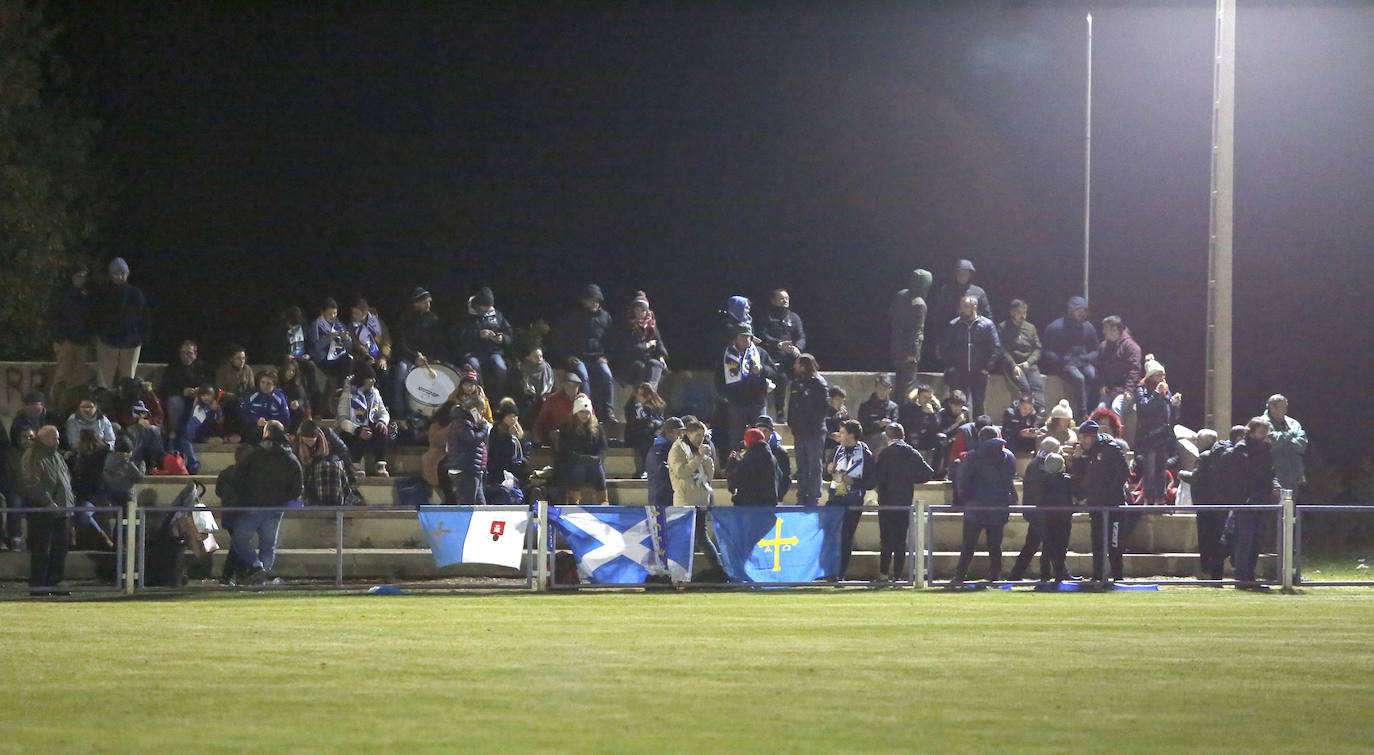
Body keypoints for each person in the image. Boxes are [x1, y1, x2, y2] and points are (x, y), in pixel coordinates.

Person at [232, 421, 303, 584]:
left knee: (240, 538)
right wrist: (285, 499)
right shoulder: (290, 457)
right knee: (268, 545)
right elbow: (297, 486)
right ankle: (262, 579)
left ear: (266, 433)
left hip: (254, 505)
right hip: (277, 507)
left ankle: (257, 567)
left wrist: (244, 497)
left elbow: (239, 477)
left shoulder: (255, 454)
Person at [1067, 419, 1131, 587]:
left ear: (1094, 436)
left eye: (1087, 437)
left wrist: (1109, 492)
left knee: (1114, 543)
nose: (1084, 441)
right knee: (1097, 541)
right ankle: (1098, 574)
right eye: (1081, 437)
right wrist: (1078, 459)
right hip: (1095, 505)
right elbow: (1079, 478)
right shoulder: (1084, 452)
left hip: (1113, 504)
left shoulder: (1110, 448)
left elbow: (1124, 473)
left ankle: (1117, 576)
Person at [951, 426, 1016, 586]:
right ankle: (995, 575)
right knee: (995, 545)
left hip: (976, 507)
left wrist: (966, 499)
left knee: (968, 545)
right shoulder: (1009, 457)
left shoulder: (973, 457)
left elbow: (963, 482)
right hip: (999, 506)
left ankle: (960, 576)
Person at [1218, 418, 1277, 589]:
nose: (1264, 436)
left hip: (1262, 501)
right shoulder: (1240, 451)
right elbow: (1239, 478)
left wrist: (1273, 487)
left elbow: (1269, 473)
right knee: (1245, 541)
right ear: (1250, 432)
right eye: (1261, 432)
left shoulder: (1266, 450)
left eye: (1265, 433)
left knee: (1257, 541)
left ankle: (1250, 576)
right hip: (1245, 503)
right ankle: (1242, 578)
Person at [873, 423, 935, 582]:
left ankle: (883, 573)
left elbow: (877, 476)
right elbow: (928, 473)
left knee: (886, 539)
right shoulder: (911, 453)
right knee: (901, 540)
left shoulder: (885, 453)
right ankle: (898, 574)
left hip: (886, 501)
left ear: (887, 437)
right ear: (904, 436)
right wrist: (912, 479)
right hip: (904, 500)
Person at [19, 426, 75, 595]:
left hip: (62, 510)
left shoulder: (57, 456)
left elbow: (65, 480)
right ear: (42, 438)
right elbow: (30, 483)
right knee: (42, 550)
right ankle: (38, 585)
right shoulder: (33, 455)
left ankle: (54, 583)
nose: (57, 441)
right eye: (53, 438)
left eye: (57, 438)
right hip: (43, 511)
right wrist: (47, 502)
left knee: (60, 550)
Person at [554, 284, 617, 423]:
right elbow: (561, 339)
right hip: (579, 358)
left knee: (607, 375)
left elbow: (612, 341)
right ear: (584, 301)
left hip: (597, 358)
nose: (594, 303)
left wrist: (607, 357)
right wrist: (568, 357)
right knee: (583, 376)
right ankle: (587, 409)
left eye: (596, 300)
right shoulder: (574, 316)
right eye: (590, 300)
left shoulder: (605, 317)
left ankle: (609, 411)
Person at [939, 296, 1002, 417]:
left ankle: (979, 432)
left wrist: (987, 367)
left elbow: (996, 347)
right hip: (958, 372)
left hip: (979, 372)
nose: (961, 310)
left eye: (965, 307)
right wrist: (950, 366)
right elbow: (944, 347)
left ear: (974, 307)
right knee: (958, 404)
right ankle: (958, 431)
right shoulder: (953, 325)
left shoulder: (987, 325)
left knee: (978, 404)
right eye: (961, 306)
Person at [719, 323, 775, 456]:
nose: (746, 339)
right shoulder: (727, 354)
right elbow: (719, 377)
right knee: (736, 436)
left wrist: (761, 369)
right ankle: (736, 465)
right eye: (742, 336)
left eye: (748, 337)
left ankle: (762, 462)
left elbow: (774, 371)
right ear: (735, 338)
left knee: (761, 435)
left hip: (757, 402)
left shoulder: (760, 353)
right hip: (736, 402)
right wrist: (725, 395)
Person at [391, 287, 448, 419]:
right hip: (409, 356)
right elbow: (400, 343)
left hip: (428, 359)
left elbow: (440, 343)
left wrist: (436, 358)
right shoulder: (405, 319)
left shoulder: (433, 319)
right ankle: (399, 412)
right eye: (425, 302)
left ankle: (431, 414)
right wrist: (414, 357)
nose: (428, 305)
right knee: (401, 373)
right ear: (416, 303)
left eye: (429, 302)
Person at [94, 257, 151, 388]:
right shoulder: (104, 293)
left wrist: (142, 336)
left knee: (128, 381)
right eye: (115, 274)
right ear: (111, 275)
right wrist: (100, 333)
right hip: (107, 342)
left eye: (122, 273)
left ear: (127, 274)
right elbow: (96, 315)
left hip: (131, 342)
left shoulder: (135, 294)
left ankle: (126, 406)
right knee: (104, 380)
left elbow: (145, 317)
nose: (119, 277)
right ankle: (104, 405)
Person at [1184, 427, 1233, 582]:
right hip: (1221, 504)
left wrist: (1183, 474)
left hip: (1205, 504)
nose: (1196, 443)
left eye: (1198, 440)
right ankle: (1216, 574)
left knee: (1206, 540)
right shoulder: (1226, 456)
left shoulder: (1205, 457)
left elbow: (1196, 478)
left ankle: (1206, 572)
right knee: (1218, 537)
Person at [1008, 436, 1059, 582]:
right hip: (1040, 513)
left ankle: (1016, 574)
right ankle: (1047, 575)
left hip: (1037, 512)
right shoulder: (1040, 466)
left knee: (1036, 545)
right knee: (1043, 545)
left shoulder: (1035, 464)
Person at [827, 419, 873, 578]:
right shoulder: (836, 450)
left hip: (853, 501)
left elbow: (871, 481)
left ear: (852, 435)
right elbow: (828, 473)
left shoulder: (865, 453)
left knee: (846, 537)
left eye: (843, 432)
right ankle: (826, 570)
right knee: (829, 534)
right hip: (835, 498)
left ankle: (839, 573)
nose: (839, 435)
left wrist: (854, 481)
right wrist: (829, 469)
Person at [1040, 296, 1100, 419]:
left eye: (1084, 310)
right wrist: (1061, 361)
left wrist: (1086, 359)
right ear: (1070, 310)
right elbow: (1046, 351)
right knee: (1079, 379)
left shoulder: (1088, 327)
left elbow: (1095, 350)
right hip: (1063, 365)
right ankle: (1082, 414)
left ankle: (1093, 410)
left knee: (1094, 376)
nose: (1082, 313)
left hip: (1082, 362)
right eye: (1079, 310)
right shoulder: (1056, 327)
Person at [1134, 356, 1182, 506]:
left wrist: (1175, 405)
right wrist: (1155, 394)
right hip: (1148, 436)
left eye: (1163, 375)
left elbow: (1171, 416)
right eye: (1158, 375)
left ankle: (1160, 499)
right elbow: (1144, 407)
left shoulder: (1165, 390)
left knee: (1161, 470)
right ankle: (1148, 499)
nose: (1162, 378)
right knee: (1149, 470)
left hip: (1163, 436)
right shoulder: (1142, 388)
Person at [263, 306, 327, 412]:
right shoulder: (279, 331)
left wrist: (308, 354)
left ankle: (314, 403)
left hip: (301, 359)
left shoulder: (304, 328)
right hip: (286, 360)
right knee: (294, 373)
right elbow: (273, 350)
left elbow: (311, 345)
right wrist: (285, 356)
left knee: (310, 368)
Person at [787, 354, 829, 506]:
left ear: (804, 365)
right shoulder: (797, 383)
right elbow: (792, 406)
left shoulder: (818, 383)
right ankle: (802, 494)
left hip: (814, 432)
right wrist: (792, 422)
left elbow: (823, 409)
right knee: (802, 466)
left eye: (798, 364)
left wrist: (811, 423)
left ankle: (813, 496)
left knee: (814, 465)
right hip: (799, 432)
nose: (795, 367)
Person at [48, 264, 94, 405]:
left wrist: (88, 337)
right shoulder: (62, 294)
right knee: (62, 376)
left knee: (80, 378)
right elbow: (54, 316)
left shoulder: (87, 295)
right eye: (78, 276)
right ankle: (55, 406)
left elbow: (91, 317)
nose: (81, 279)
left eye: (83, 276)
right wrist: (58, 338)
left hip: (82, 341)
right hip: (66, 340)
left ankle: (75, 406)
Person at [757, 288, 804, 422]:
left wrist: (797, 348)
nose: (785, 301)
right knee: (781, 379)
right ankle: (780, 413)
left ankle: (798, 412)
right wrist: (778, 344)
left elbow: (801, 336)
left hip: (791, 358)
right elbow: (763, 335)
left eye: (787, 298)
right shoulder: (767, 316)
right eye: (781, 298)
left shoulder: (794, 317)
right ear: (773, 300)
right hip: (774, 357)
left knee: (802, 378)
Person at [336, 363, 391, 477]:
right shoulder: (348, 394)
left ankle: (380, 465)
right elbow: (342, 419)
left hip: (371, 428)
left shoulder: (375, 393)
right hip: (353, 431)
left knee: (384, 430)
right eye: (370, 378)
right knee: (361, 433)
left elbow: (383, 412)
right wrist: (357, 429)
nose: (373, 381)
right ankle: (355, 466)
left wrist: (382, 421)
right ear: (362, 379)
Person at [457, 287, 513, 394]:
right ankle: (479, 398)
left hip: (492, 352)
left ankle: (498, 399)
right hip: (472, 353)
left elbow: (509, 333)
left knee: (501, 367)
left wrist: (501, 339)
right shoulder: (465, 315)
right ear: (477, 304)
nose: (486, 310)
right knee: (474, 367)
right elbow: (458, 336)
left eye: (488, 307)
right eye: (484, 307)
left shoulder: (496, 314)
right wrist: (478, 335)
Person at [555, 396, 608, 505]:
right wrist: (579, 458)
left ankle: (603, 499)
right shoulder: (566, 428)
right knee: (578, 466)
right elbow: (564, 450)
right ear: (576, 413)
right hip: (573, 464)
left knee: (597, 466)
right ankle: (574, 499)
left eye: (587, 412)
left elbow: (603, 448)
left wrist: (598, 458)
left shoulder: (597, 428)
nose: (585, 415)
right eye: (581, 412)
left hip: (592, 465)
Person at [890, 268, 932, 402]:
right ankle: (903, 415)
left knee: (898, 383)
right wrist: (913, 353)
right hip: (908, 352)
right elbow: (917, 331)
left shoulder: (901, 295)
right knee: (907, 386)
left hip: (896, 348)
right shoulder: (920, 304)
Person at [441, 397, 492, 506]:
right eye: (481, 409)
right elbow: (472, 440)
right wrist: (484, 428)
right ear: (473, 409)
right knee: (468, 504)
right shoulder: (461, 423)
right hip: (465, 470)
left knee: (480, 505)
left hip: (473, 470)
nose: (482, 412)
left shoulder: (470, 424)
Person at [159, 340, 212, 441]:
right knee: (175, 402)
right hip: (179, 397)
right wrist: (182, 392)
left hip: (198, 398)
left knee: (207, 403)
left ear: (195, 354)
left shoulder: (202, 368)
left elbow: (209, 385)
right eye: (182, 353)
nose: (185, 356)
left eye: (189, 353)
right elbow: (165, 388)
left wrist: (200, 391)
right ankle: (175, 431)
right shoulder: (173, 368)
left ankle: (201, 434)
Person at [1036, 450, 1076, 584]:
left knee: (1047, 547)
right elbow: (1079, 493)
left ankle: (1044, 576)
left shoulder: (1042, 480)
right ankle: (1059, 575)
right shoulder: (1067, 480)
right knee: (1061, 548)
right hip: (1063, 518)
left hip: (1046, 518)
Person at [616, 291, 669, 391]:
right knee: (642, 368)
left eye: (643, 310)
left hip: (648, 359)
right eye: (637, 310)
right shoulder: (628, 325)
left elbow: (658, 341)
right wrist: (647, 345)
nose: (640, 313)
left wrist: (661, 356)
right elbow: (628, 347)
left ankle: (650, 394)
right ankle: (640, 399)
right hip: (631, 362)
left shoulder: (651, 324)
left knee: (656, 364)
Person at [930, 259, 992, 345]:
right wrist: (939, 340)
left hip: (973, 337)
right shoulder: (946, 291)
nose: (962, 276)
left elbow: (987, 316)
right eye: (960, 273)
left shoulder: (979, 292)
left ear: (970, 275)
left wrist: (986, 338)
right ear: (955, 274)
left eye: (965, 273)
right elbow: (938, 316)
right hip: (951, 337)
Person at [998, 299, 1045, 411]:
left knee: (1037, 385)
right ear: (1012, 312)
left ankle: (1040, 412)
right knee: (1025, 387)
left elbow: (1038, 348)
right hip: (1013, 364)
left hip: (1028, 363)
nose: (1023, 315)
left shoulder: (1030, 328)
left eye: (1025, 312)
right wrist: (1013, 365)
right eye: (1019, 312)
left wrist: (1029, 361)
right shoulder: (1003, 327)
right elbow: (1001, 349)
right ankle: (1026, 412)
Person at [1096, 315, 1142, 419]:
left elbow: (1134, 370)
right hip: (1109, 390)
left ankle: (1115, 434)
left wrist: (1129, 390)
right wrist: (1102, 384)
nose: (1103, 332)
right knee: (1100, 410)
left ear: (1115, 329)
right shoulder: (1103, 346)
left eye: (1106, 329)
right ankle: (1096, 435)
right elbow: (1099, 367)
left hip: (1125, 391)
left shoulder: (1131, 347)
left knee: (1115, 407)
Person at [293, 420, 348, 507]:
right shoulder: (296, 444)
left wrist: (333, 460)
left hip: (329, 470)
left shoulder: (328, 434)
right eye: (306, 441)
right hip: (309, 473)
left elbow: (343, 450)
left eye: (312, 441)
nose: (309, 444)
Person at [486, 401, 530, 503]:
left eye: (515, 417)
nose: (513, 419)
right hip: (498, 474)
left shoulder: (518, 434)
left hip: (516, 473)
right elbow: (498, 453)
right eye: (510, 416)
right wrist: (509, 438)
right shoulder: (496, 432)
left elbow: (525, 451)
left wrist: (523, 462)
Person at [1263, 394, 1308, 493]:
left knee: (1290, 506)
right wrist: (1289, 435)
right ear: (1272, 407)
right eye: (1282, 407)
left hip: (1293, 477)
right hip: (1272, 477)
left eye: (1286, 407)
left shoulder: (1293, 423)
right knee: (1274, 506)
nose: (1285, 410)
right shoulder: (1262, 423)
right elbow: (1270, 443)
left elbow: (1302, 444)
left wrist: (1282, 440)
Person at [727, 427, 783, 506]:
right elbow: (780, 476)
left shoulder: (748, 459)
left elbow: (734, 481)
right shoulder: (772, 458)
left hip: (749, 507)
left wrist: (732, 462)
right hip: (769, 506)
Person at [668, 418, 716, 508]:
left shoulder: (701, 450)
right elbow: (681, 472)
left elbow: (709, 476)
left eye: (703, 436)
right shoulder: (677, 449)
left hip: (703, 501)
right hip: (685, 502)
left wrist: (707, 458)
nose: (701, 439)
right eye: (698, 435)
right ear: (689, 434)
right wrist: (698, 458)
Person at [307, 297, 354, 385]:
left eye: (335, 313)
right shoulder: (315, 326)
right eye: (329, 314)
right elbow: (314, 347)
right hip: (323, 358)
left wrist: (346, 339)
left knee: (349, 361)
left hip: (339, 357)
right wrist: (328, 338)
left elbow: (349, 347)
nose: (333, 316)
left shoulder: (340, 325)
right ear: (322, 313)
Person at [624, 382, 666, 478]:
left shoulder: (657, 407)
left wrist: (650, 419)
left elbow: (660, 422)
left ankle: (653, 469)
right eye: (637, 393)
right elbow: (630, 420)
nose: (638, 396)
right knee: (642, 444)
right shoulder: (631, 406)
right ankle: (643, 470)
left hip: (651, 434)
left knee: (652, 442)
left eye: (641, 394)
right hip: (636, 434)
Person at [238, 370, 292, 444]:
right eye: (262, 382)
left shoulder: (279, 397)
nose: (264, 386)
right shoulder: (252, 396)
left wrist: (270, 423)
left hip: (273, 428)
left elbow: (286, 416)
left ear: (274, 385)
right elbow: (244, 414)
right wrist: (256, 420)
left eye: (268, 383)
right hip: (255, 427)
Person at [897, 384, 943, 467]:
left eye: (929, 398)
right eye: (924, 397)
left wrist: (931, 414)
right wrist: (922, 413)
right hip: (910, 438)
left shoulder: (934, 409)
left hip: (927, 441)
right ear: (918, 396)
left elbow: (937, 427)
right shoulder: (909, 408)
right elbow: (906, 424)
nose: (927, 400)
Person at [513, 344, 556, 430]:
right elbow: (517, 390)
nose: (540, 359)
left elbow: (552, 388)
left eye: (541, 356)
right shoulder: (520, 370)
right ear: (528, 358)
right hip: (526, 399)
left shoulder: (547, 369)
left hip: (545, 398)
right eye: (536, 357)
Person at [214, 345, 255, 434]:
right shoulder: (223, 370)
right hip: (228, 402)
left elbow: (252, 389)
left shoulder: (248, 370)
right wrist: (232, 396)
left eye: (243, 358)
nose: (242, 361)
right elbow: (219, 391)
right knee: (235, 406)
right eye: (238, 358)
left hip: (244, 401)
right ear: (231, 359)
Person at [534, 373, 583, 445]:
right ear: (563, 385)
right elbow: (540, 420)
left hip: (577, 434)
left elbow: (592, 419)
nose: (572, 388)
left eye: (575, 386)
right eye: (568, 385)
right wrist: (537, 437)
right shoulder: (552, 399)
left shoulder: (583, 400)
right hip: (557, 434)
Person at [646, 417, 684, 508]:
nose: (682, 436)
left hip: (673, 495)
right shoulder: (658, 449)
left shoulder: (677, 448)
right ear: (669, 432)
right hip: (661, 496)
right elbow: (660, 470)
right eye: (678, 432)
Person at [858, 373, 900, 453]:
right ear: (875, 388)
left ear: (890, 390)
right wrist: (878, 424)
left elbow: (896, 426)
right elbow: (862, 427)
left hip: (888, 441)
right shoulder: (865, 405)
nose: (882, 392)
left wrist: (890, 424)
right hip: (869, 441)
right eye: (880, 388)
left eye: (885, 389)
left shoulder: (893, 407)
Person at [753, 415, 792, 502]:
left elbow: (786, 478)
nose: (762, 434)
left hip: (773, 500)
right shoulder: (748, 450)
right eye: (759, 431)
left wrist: (778, 496)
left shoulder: (781, 453)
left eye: (765, 431)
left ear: (772, 432)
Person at [823, 386, 850, 459]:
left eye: (842, 400)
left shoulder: (843, 413)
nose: (840, 403)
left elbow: (849, 429)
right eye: (838, 400)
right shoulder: (825, 412)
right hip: (828, 446)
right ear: (830, 400)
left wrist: (845, 418)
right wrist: (830, 435)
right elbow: (822, 429)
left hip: (841, 445)